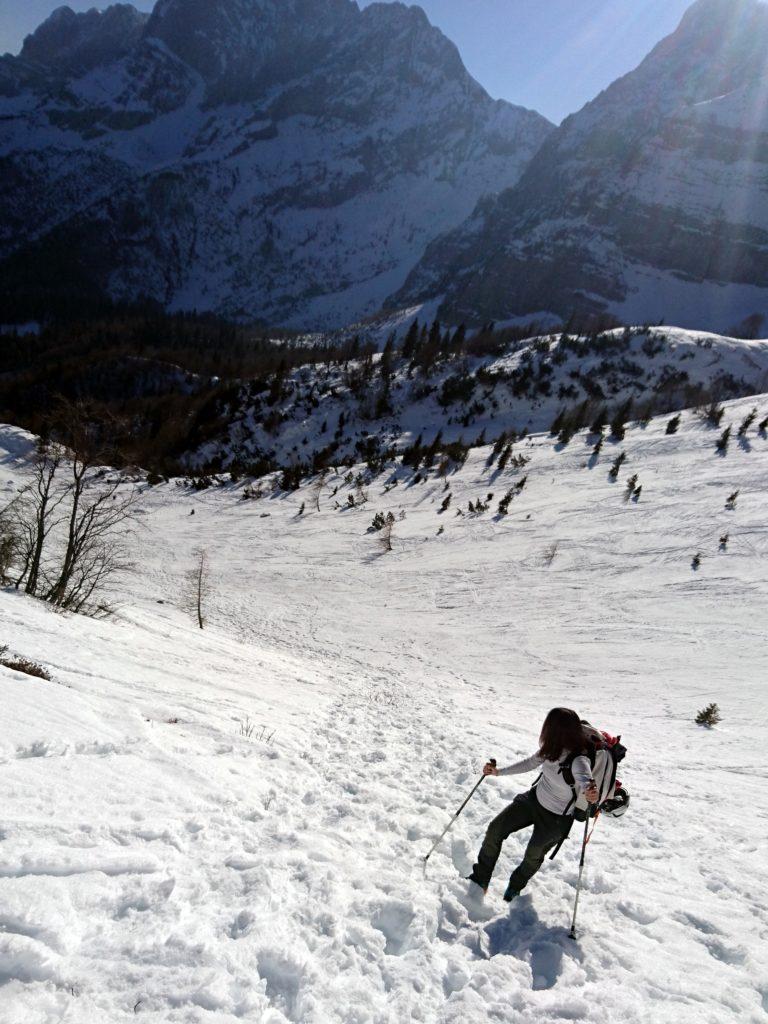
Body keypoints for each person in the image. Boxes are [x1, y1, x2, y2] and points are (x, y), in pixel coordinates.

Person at [468, 708, 599, 902]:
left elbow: (585, 779)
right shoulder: (552, 749)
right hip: (533, 800)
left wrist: (591, 792)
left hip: (557, 819)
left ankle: (515, 886)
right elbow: (529, 763)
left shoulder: (579, 760)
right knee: (495, 829)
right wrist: (497, 772)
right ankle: (480, 880)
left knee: (533, 855)